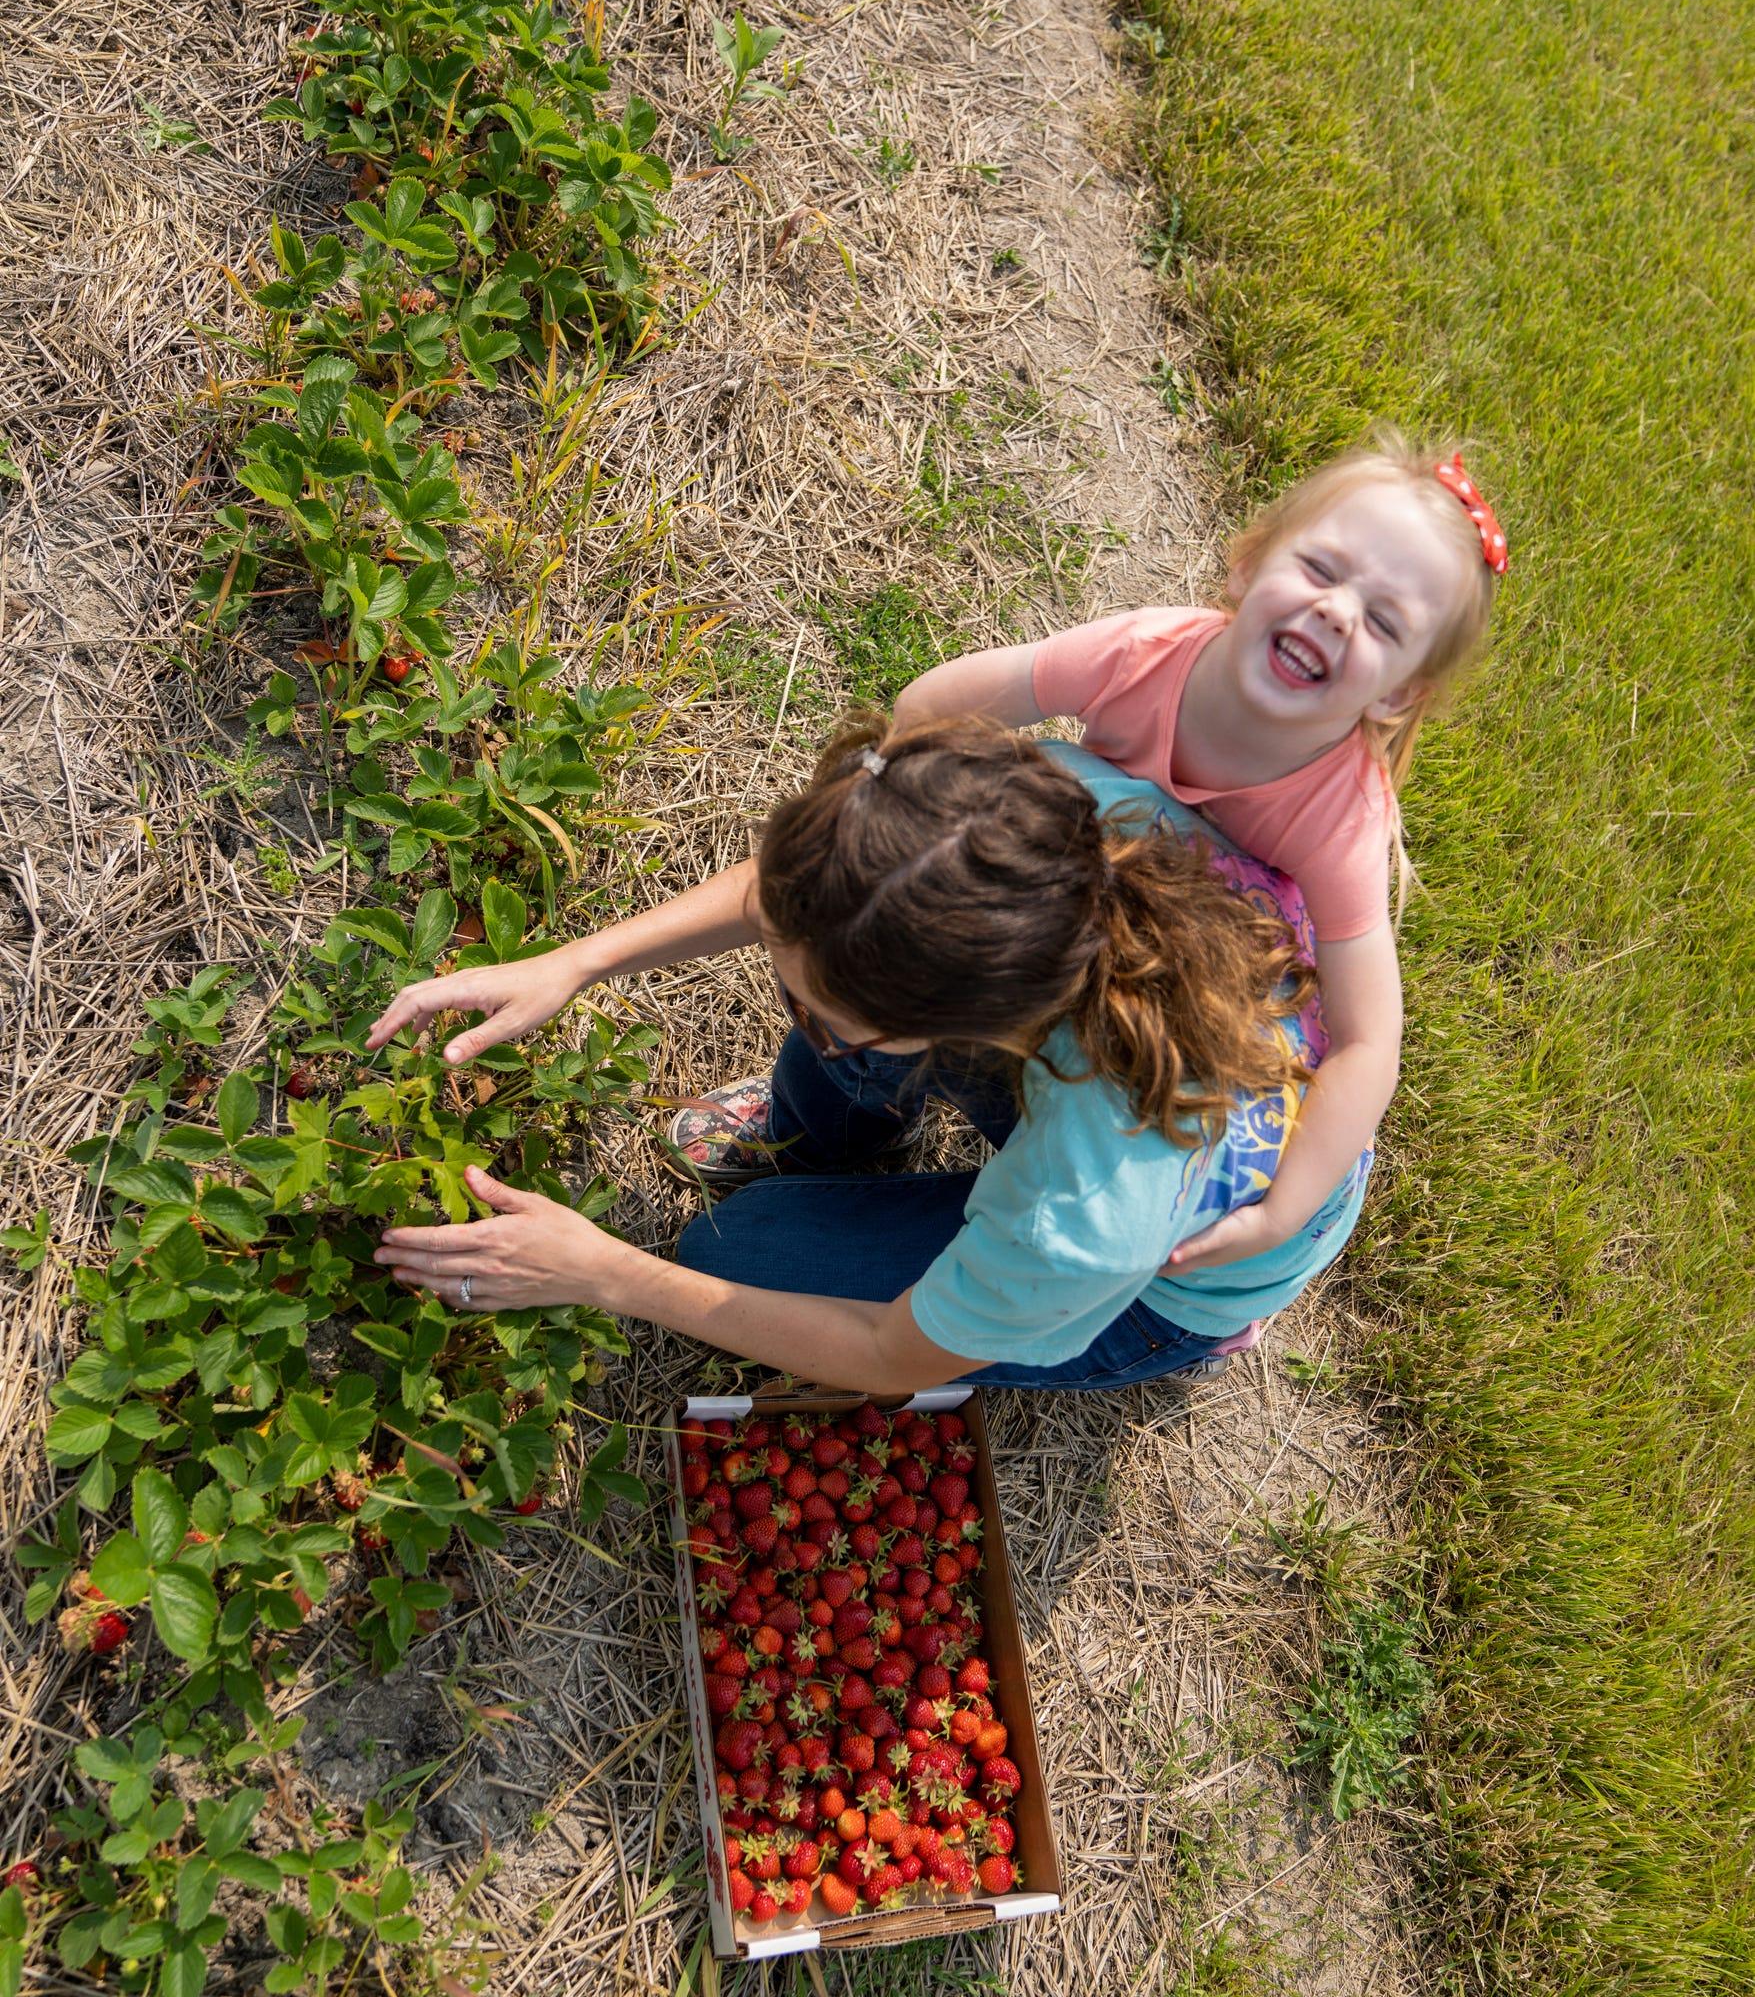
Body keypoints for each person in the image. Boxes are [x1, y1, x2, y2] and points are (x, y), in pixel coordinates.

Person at [366, 719, 1371, 1392]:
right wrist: (576, 963)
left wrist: (605, 1275)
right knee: (835, 1027)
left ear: (964, 1019)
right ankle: (834, 1138)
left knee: (730, 1255)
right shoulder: (1037, 828)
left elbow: (891, 1357)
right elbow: (814, 900)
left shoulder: (1083, 1221)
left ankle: (1164, 1337)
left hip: (1163, 1283)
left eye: (823, 1011)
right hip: (1098, 1083)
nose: (794, 1006)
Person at [891, 437, 1507, 1289]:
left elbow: (1370, 1040)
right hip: (1093, 944)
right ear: (1249, 565)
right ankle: (829, 1123)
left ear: (1398, 693)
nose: (1336, 612)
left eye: (1384, 622)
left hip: (1188, 1036)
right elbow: (936, 702)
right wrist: (887, 810)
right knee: (889, 931)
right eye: (1322, 569)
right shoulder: (1146, 654)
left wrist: (1281, 1209)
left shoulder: (1340, 816)